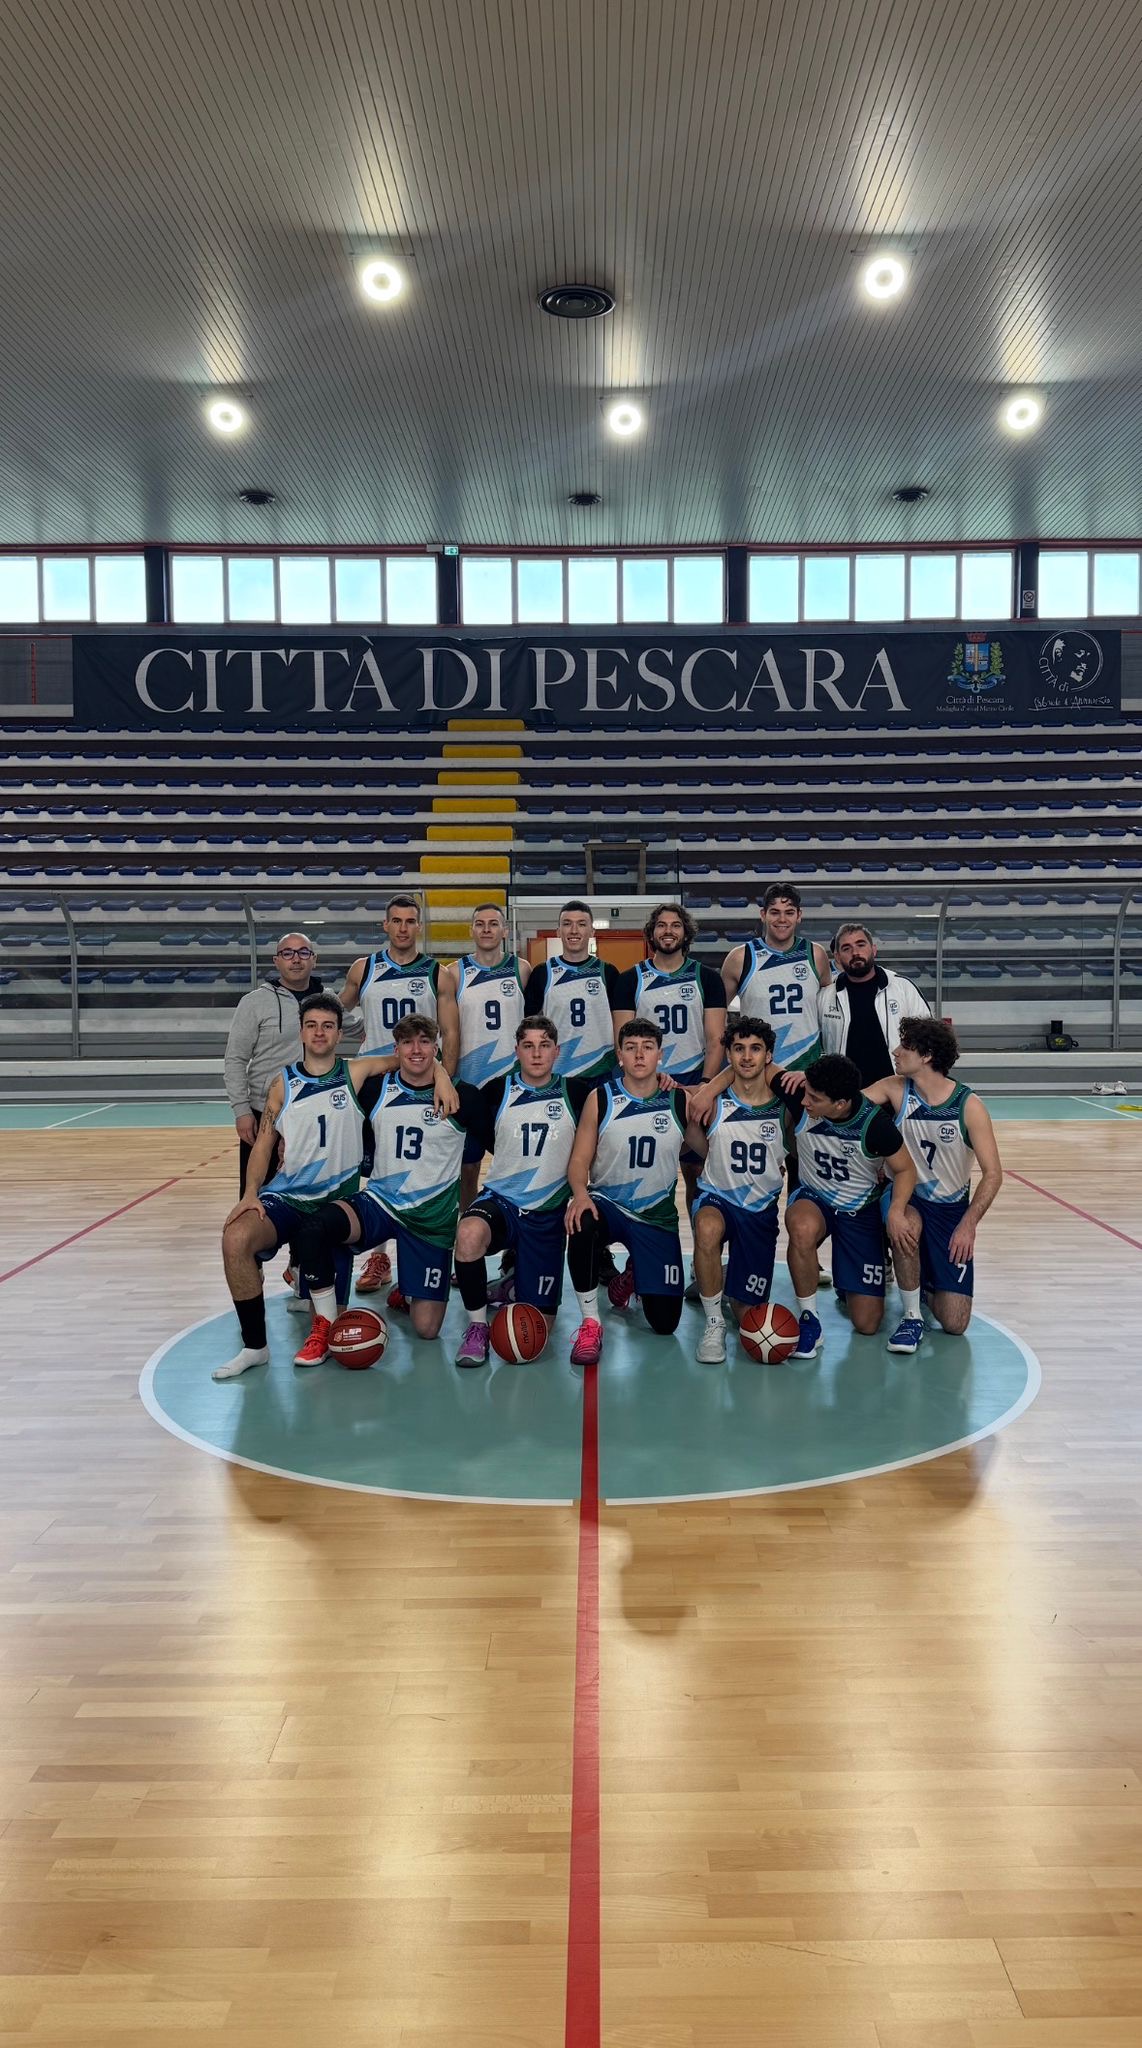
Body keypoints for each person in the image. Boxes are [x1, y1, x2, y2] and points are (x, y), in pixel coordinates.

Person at [212, 995, 458, 1379]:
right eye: (311, 1025)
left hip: (336, 1205)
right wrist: (250, 1193)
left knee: (337, 1326)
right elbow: (263, 1145)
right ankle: (255, 1346)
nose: (319, 1032)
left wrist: (441, 1075)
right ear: (301, 1032)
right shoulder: (282, 1084)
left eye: (328, 1026)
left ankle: (319, 1311)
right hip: (288, 1197)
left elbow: (412, 1058)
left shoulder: (356, 1073)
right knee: (235, 1238)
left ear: (340, 1034)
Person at [289, 1013, 482, 1356]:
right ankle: (326, 1323)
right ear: (396, 1049)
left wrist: (442, 1075)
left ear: (436, 1047)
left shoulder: (462, 1097)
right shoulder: (376, 1089)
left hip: (430, 1219)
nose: (416, 1049)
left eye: (425, 1041)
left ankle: (409, 1290)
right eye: (407, 1042)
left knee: (427, 1329)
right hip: (380, 1203)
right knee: (317, 1227)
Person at [452, 1015, 593, 1366]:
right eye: (528, 1046)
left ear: (557, 1051)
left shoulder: (578, 1093)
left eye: (544, 1045)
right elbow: (477, 1124)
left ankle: (514, 1282)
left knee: (538, 1330)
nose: (536, 1053)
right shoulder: (496, 1091)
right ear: (516, 1051)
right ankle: (477, 1327)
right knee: (468, 1234)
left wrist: (665, 1080)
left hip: (548, 1214)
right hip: (502, 1201)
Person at [338, 894, 460, 1295]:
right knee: (370, 1168)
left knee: (411, 1166)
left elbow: (450, 1032)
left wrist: (444, 1077)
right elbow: (334, 1012)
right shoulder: (364, 968)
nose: (404, 927)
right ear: (385, 925)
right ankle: (376, 1255)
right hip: (375, 1083)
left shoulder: (438, 974)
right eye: (397, 920)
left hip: (419, 1078)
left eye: (410, 921)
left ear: (418, 926)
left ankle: (412, 1255)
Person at [862, 1016, 1003, 1350]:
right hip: (905, 1196)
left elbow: (993, 1174)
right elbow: (846, 1103)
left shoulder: (969, 1106)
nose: (896, 1051)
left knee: (955, 1323)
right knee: (905, 1224)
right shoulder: (895, 1088)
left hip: (950, 1211)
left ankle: (922, 1283)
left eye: (905, 1046)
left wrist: (968, 1225)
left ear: (926, 1055)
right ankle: (912, 1317)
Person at [564, 1018, 688, 1365]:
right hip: (609, 1205)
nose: (639, 1055)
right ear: (619, 1055)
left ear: (660, 1055)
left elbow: (709, 1149)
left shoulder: (679, 1100)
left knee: (664, 1324)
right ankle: (590, 1322)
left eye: (647, 1048)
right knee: (582, 1222)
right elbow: (579, 1160)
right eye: (631, 1048)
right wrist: (580, 1194)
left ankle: (634, 1274)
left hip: (656, 1217)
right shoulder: (601, 1098)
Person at [780, 1052, 917, 1359]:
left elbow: (906, 1170)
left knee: (867, 1324)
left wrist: (896, 1210)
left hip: (859, 1211)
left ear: (840, 1104)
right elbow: (757, 1069)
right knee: (801, 1227)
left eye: (814, 1098)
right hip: (815, 1198)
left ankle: (848, 1283)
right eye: (806, 1092)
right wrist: (708, 1089)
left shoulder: (875, 1124)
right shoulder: (800, 1098)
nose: (805, 1101)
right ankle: (809, 1320)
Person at [684, 1016, 788, 1363]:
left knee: (749, 1320)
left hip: (759, 1210)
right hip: (718, 1196)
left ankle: (724, 1278)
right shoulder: (713, 1101)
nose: (746, 1057)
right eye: (738, 1049)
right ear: (728, 1054)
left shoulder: (784, 1106)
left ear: (768, 1056)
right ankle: (714, 1323)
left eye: (755, 1049)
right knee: (707, 1228)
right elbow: (695, 1139)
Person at [439, 902, 530, 1212]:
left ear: (505, 931)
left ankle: (513, 1231)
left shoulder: (522, 969)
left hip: (510, 1085)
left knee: (514, 1164)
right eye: (480, 924)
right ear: (472, 930)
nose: (487, 929)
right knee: (468, 1169)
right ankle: (468, 1222)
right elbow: (446, 1029)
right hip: (469, 1083)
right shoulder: (454, 973)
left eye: (493, 924)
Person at [223, 932, 324, 1192]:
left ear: (314, 959)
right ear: (276, 961)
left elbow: (358, 1028)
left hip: (313, 1111)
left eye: (303, 952)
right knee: (257, 1195)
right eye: (287, 953)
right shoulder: (255, 1002)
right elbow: (235, 1059)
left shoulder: (327, 1000)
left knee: (309, 1194)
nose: (296, 959)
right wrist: (242, 1111)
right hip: (265, 1112)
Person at [721, 883, 832, 1071]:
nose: (782, 919)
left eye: (789, 912)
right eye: (775, 912)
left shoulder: (816, 954)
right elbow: (715, 1013)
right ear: (763, 914)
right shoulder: (740, 958)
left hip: (807, 1068)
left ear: (799, 915)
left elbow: (828, 1010)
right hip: (758, 1068)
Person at [818, 922, 930, 1086]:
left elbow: (928, 1039)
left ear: (873, 949)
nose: (855, 952)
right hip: (845, 1093)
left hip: (898, 1089)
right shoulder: (826, 995)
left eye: (861, 945)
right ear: (838, 957)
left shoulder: (903, 988)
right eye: (846, 948)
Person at [523, 900, 620, 1082]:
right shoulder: (543, 972)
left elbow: (620, 1023)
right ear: (558, 931)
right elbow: (529, 1025)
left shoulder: (608, 972)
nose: (574, 930)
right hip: (557, 1072)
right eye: (567, 924)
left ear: (592, 931)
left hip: (601, 1069)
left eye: (581, 924)